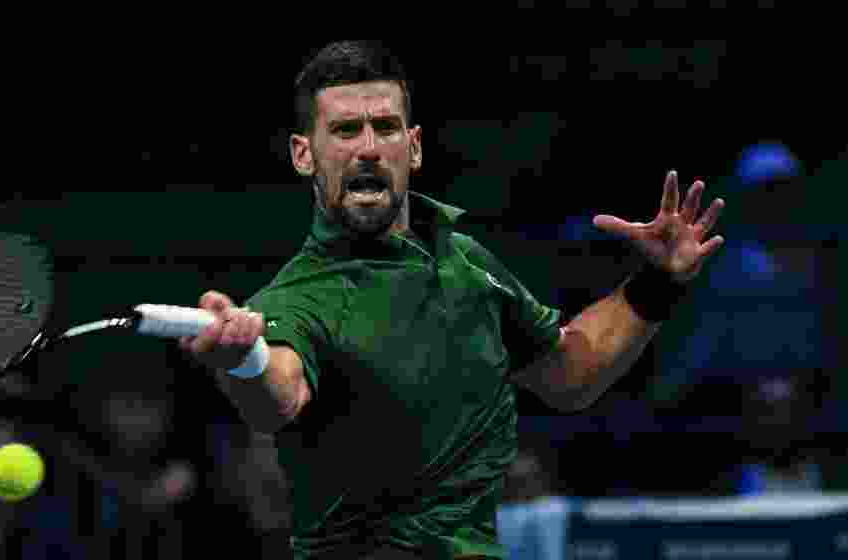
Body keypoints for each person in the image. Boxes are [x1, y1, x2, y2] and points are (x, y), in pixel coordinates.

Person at [179, 40, 726, 559]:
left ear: (413, 146)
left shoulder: (465, 261)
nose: (368, 148)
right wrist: (242, 361)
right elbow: (281, 393)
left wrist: (658, 282)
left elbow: (568, 373)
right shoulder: (298, 296)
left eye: (385, 128)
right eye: (345, 130)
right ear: (304, 154)